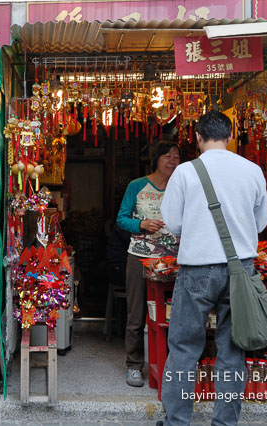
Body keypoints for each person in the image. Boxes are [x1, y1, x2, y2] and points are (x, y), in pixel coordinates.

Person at [158, 111, 267, 426]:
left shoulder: (185, 172)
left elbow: (174, 223)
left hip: (196, 269)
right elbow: (260, 223)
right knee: (233, 350)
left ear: (197, 137)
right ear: (231, 135)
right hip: (241, 269)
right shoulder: (252, 170)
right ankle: (225, 422)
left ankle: (177, 421)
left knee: (183, 348)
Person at [116, 140, 180, 387]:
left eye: (176, 157)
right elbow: (121, 218)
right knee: (136, 313)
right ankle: (134, 366)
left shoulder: (181, 187)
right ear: (156, 159)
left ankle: (168, 365)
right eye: (168, 156)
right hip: (140, 256)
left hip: (172, 259)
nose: (173, 161)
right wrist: (141, 224)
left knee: (171, 314)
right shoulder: (137, 186)